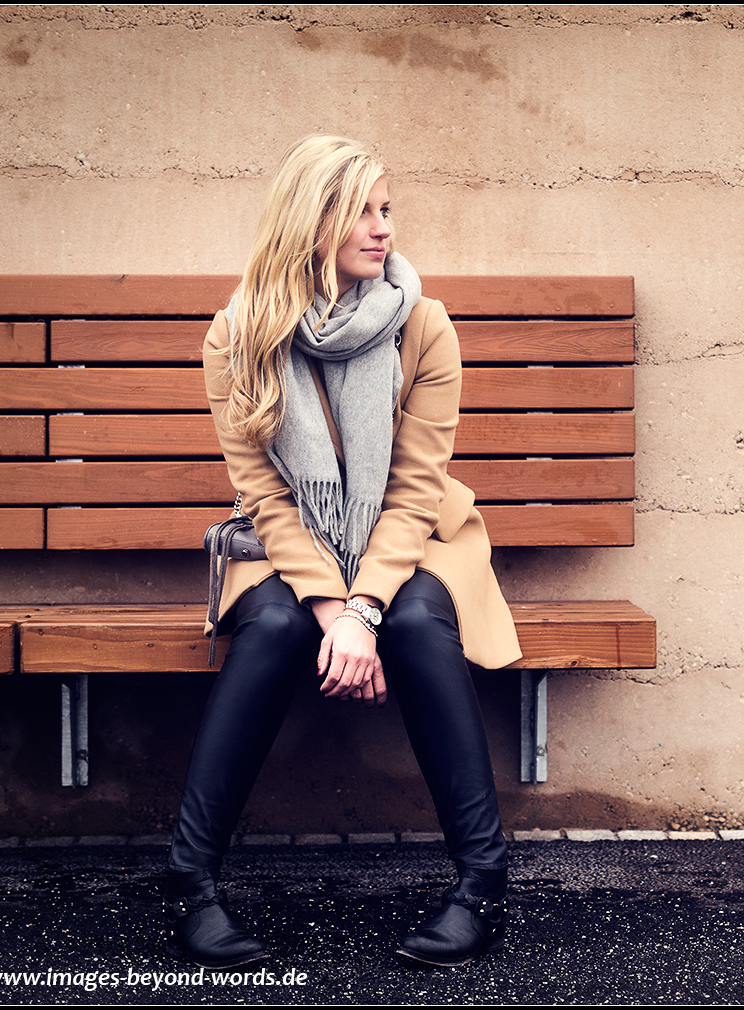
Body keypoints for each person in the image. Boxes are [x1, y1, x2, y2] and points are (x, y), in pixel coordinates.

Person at [165, 134, 523, 970]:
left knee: (419, 622)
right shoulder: (240, 334)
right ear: (309, 222)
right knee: (279, 630)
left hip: (414, 538)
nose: (382, 228)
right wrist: (332, 609)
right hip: (281, 543)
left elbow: (416, 488)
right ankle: (189, 883)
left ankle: (482, 886)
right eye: (360, 210)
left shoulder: (423, 327)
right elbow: (264, 493)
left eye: (387, 208)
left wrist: (366, 608)